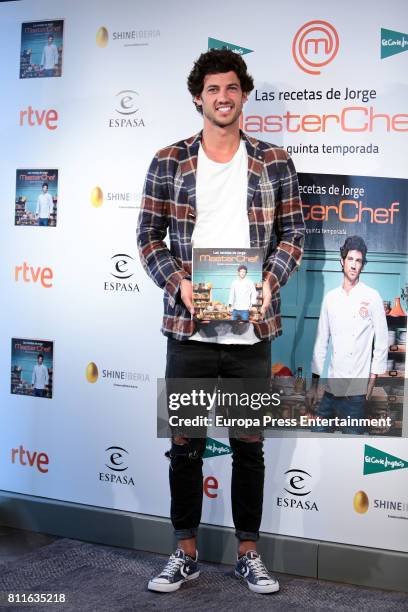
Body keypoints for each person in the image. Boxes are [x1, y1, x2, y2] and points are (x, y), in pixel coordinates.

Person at [137, 48, 304, 594]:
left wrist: (270, 283)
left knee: (248, 445)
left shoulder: (274, 162)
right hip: (188, 330)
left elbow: (294, 235)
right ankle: (184, 551)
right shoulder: (168, 160)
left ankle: (248, 554)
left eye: (231, 88)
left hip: (251, 331)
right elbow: (148, 237)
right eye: (213, 89)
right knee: (185, 444)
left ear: (244, 94)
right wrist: (177, 284)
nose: (223, 97)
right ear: (197, 97)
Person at [308, 235, 388, 434]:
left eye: (358, 261)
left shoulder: (372, 297)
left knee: (352, 450)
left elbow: (382, 341)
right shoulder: (331, 298)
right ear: (342, 261)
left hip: (356, 394)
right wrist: (314, 385)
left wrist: (371, 381)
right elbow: (321, 343)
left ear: (363, 265)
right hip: (331, 389)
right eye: (350, 259)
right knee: (317, 440)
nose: (354, 265)